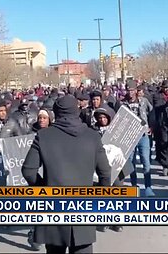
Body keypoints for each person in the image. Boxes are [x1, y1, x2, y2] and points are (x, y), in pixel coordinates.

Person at [22, 95, 112, 254]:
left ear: (56, 113)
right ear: (76, 112)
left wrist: (43, 188)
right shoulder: (93, 137)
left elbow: (28, 170)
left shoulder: (44, 136)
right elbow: (105, 173)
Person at [121, 80, 155, 197]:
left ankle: (148, 187)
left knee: (146, 161)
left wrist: (151, 126)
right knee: (131, 162)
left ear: (136, 90)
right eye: (128, 90)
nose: (130, 93)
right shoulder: (122, 103)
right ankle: (134, 185)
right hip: (129, 136)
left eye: (132, 90)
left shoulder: (144, 101)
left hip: (143, 135)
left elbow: (152, 113)